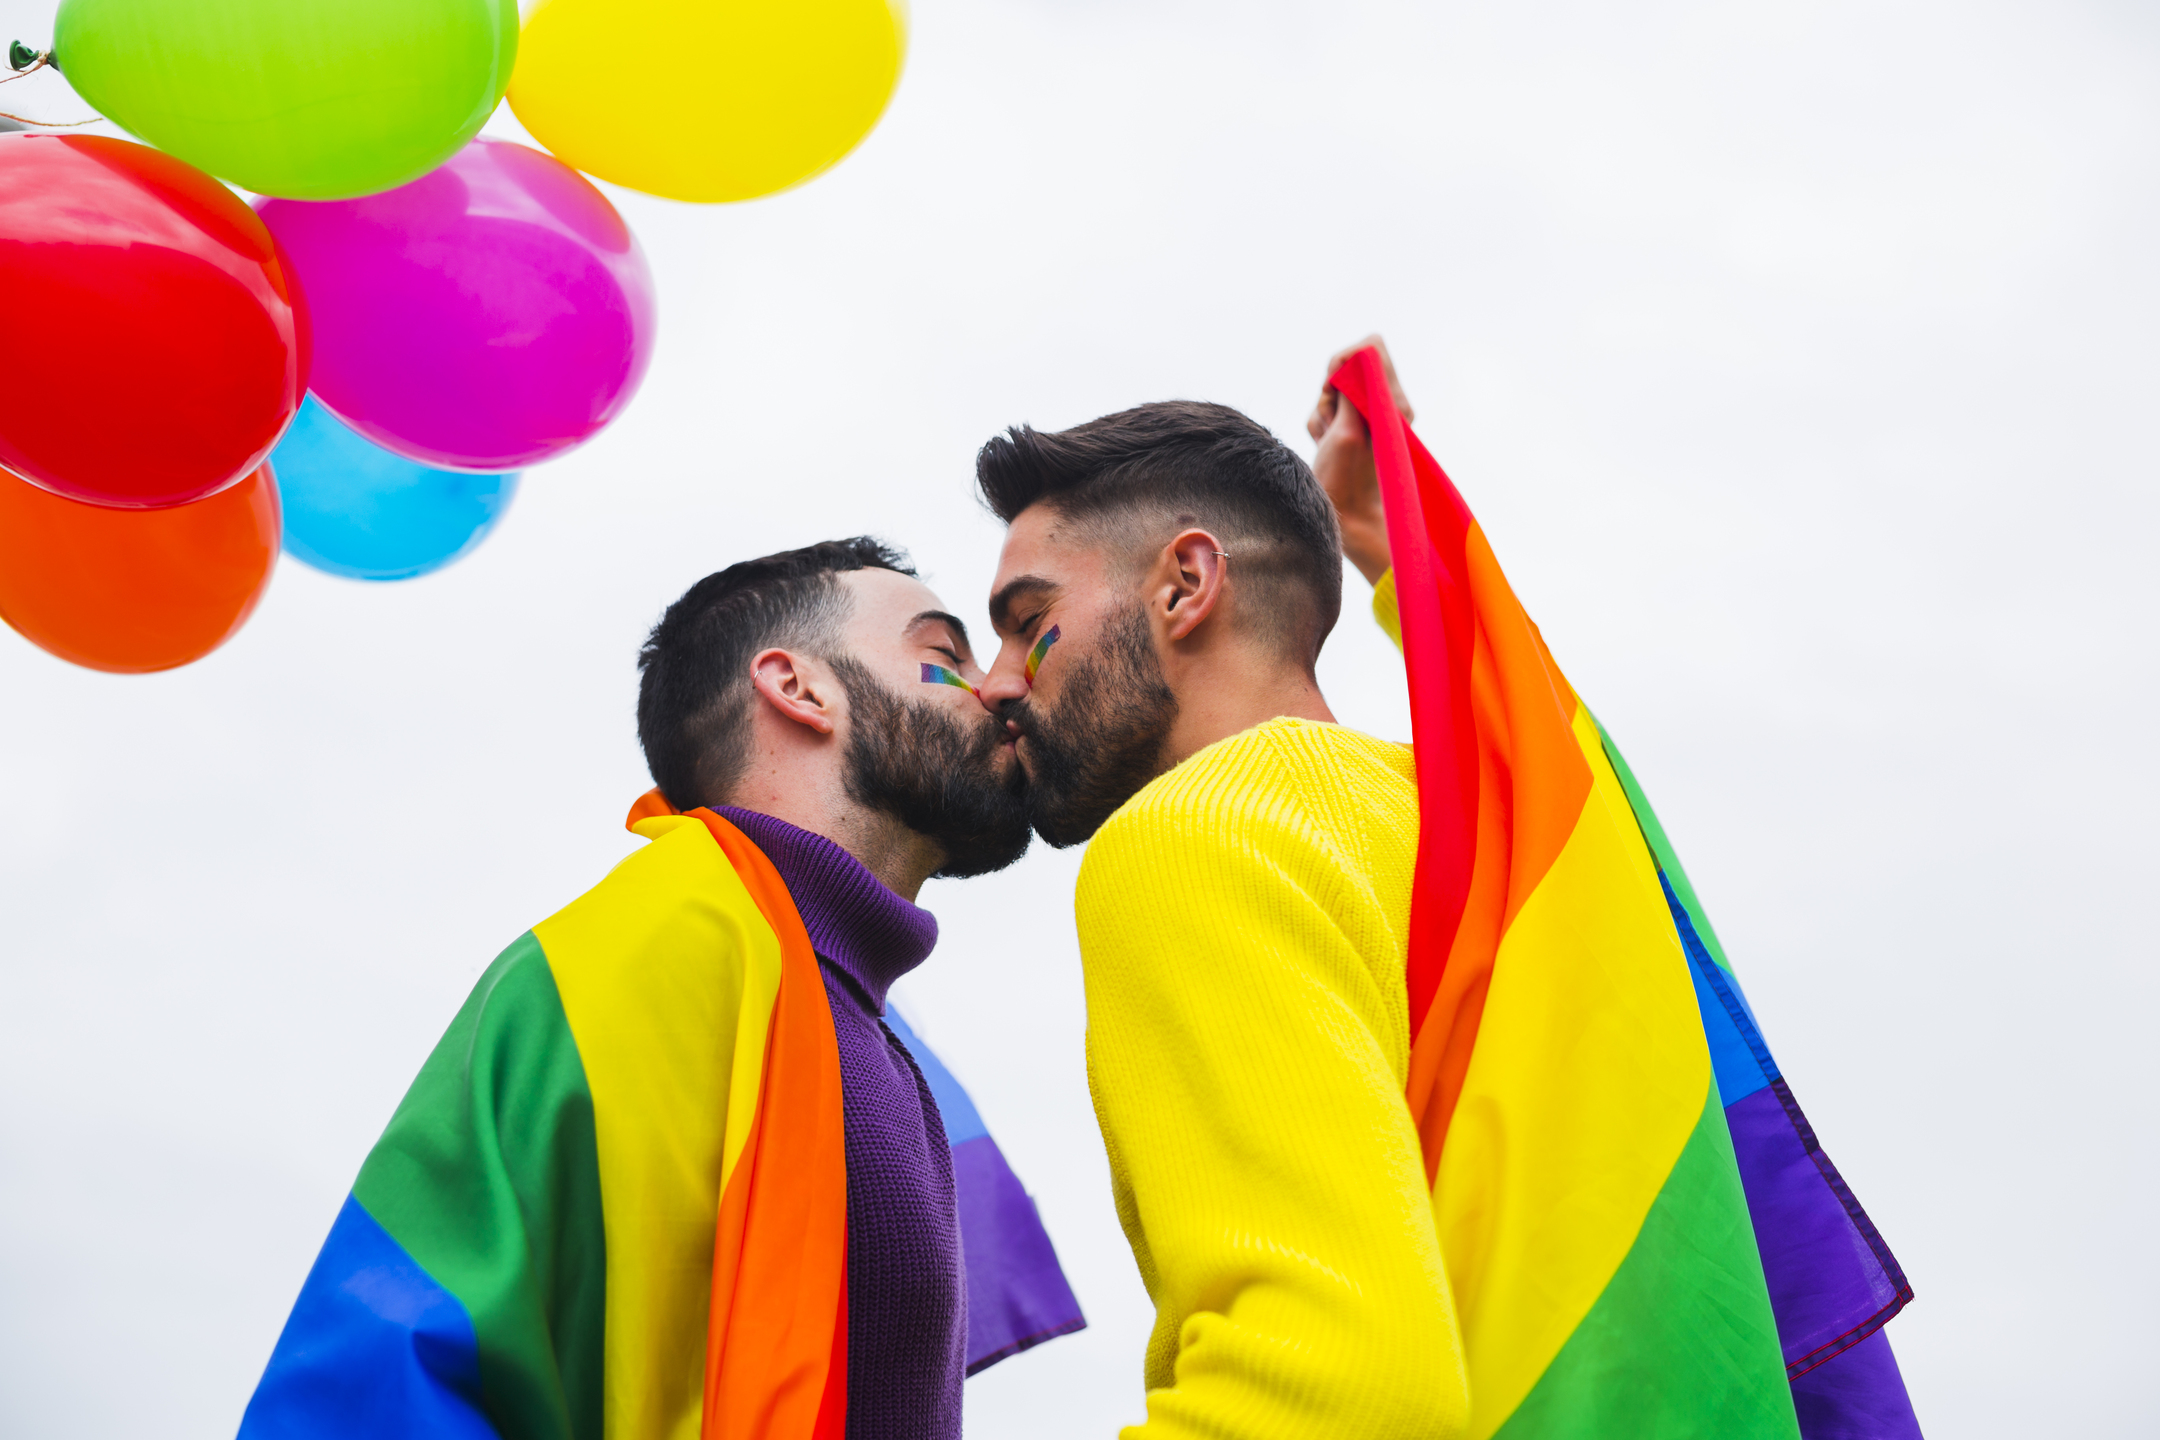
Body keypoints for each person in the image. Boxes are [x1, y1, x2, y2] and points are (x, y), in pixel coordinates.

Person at [970, 340, 1919, 1438]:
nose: (996, 685)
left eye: (1028, 625)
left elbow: (1324, 1392)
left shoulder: (1192, 838)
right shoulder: (1513, 842)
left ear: (1187, 584)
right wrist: (1385, 553)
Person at [240, 537, 1083, 1440]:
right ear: (798, 689)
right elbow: (376, 1382)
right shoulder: (645, 951)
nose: (997, 687)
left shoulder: (839, 1010)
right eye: (942, 658)